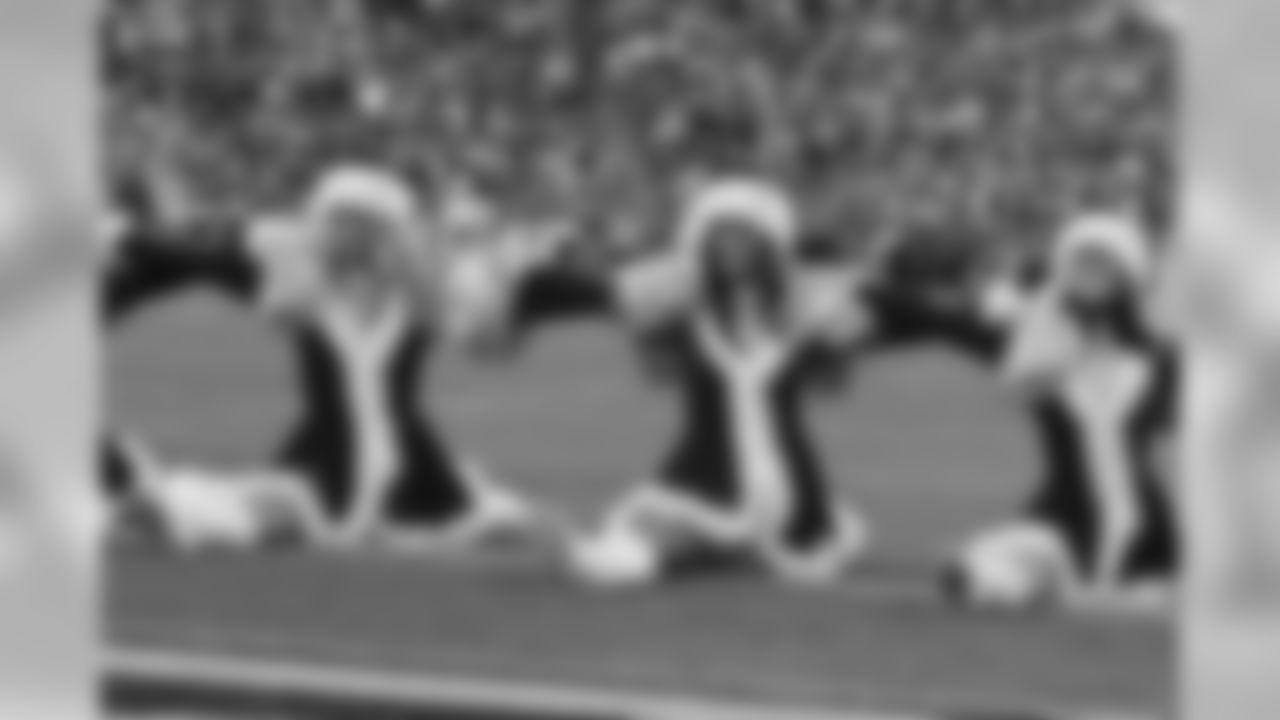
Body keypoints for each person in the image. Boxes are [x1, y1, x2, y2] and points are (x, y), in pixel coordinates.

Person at [100, 164, 562, 553]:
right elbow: (199, 258)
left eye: (338, 221)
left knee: (256, 513)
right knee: (260, 507)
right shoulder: (309, 285)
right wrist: (134, 238)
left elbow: (490, 340)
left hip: (383, 467)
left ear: (369, 230)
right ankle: (150, 502)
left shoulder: (410, 297)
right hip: (335, 459)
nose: (321, 229)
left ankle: (151, 501)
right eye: (328, 219)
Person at [522, 176, 875, 588]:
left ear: (769, 244)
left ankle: (739, 542)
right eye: (719, 237)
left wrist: (841, 335)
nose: (730, 247)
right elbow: (611, 314)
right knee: (629, 558)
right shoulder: (683, 306)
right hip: (705, 475)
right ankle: (629, 549)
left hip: (792, 482)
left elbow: (836, 377)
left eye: (743, 236)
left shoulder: (805, 308)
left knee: (803, 559)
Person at [868, 211, 1179, 608]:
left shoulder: (1161, 359)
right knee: (980, 571)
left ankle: (1107, 583)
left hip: (1151, 536)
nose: (1089, 271)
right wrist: (869, 298)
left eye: (1103, 262)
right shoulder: (1033, 346)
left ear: (1129, 275)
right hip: (1063, 524)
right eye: (1081, 260)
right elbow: (940, 320)